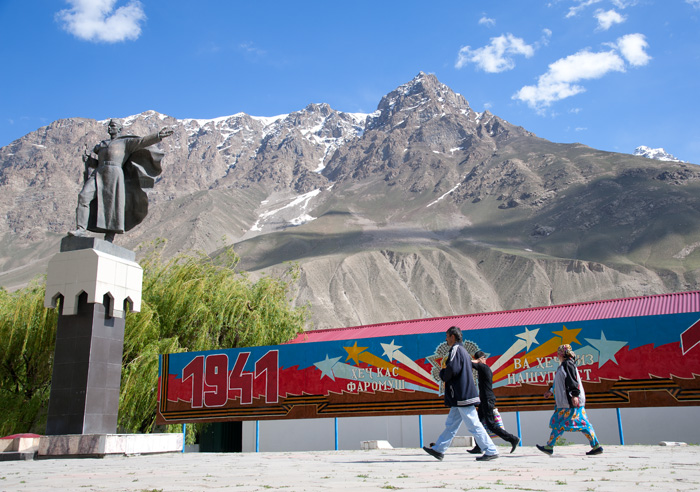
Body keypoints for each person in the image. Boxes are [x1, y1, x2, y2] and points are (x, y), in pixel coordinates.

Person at [68, 119, 173, 242]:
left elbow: (142, 141)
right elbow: (98, 163)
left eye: (112, 126)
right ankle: (81, 229)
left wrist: (158, 136)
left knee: (112, 206)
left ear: (119, 128)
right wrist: (90, 161)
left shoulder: (126, 142)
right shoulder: (102, 145)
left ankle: (110, 236)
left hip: (114, 176)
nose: (110, 128)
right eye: (109, 126)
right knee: (83, 196)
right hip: (99, 173)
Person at [423, 326, 499, 461]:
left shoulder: (456, 349)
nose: (446, 339)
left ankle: (491, 450)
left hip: (463, 395)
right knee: (451, 424)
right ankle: (439, 449)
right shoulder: (462, 350)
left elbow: (452, 369)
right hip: (460, 395)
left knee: (473, 424)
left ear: (453, 336)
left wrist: (442, 374)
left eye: (447, 336)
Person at [536, 344, 603, 456]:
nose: (557, 355)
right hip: (565, 403)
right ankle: (549, 446)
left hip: (570, 403)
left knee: (580, 424)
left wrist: (574, 395)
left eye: (558, 353)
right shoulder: (564, 365)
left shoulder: (568, 364)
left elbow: (572, 381)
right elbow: (560, 383)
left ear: (562, 354)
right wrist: (550, 391)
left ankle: (596, 446)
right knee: (561, 424)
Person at [467, 350, 520, 454]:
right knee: (478, 423)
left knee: (491, 425)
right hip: (484, 400)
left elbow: (468, 363)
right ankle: (478, 446)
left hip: (487, 399)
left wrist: (477, 361)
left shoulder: (483, 368)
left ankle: (512, 439)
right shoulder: (483, 368)